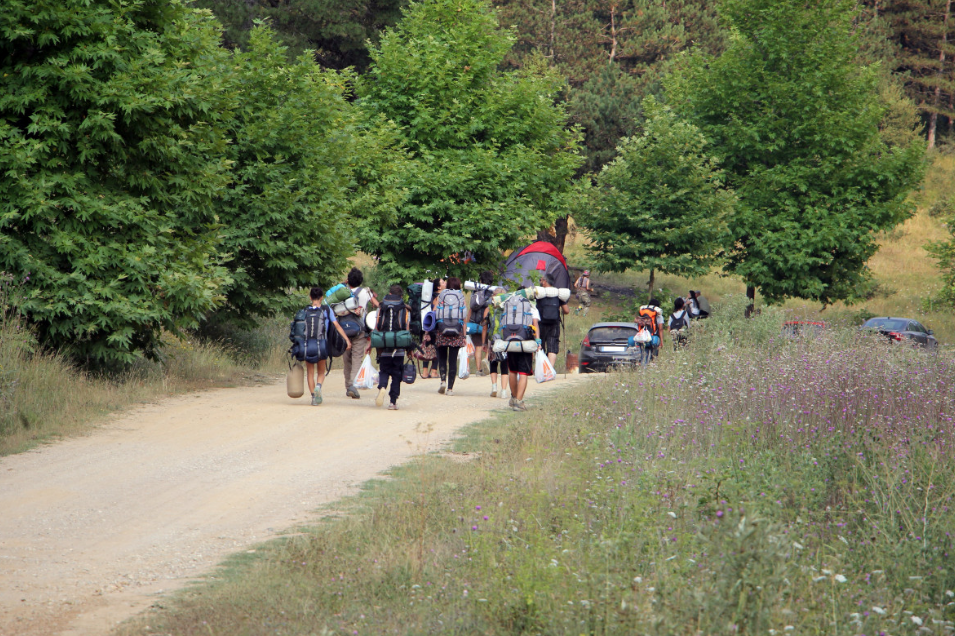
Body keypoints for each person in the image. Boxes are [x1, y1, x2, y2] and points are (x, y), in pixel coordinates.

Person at [305, 286, 351, 405]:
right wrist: (346, 340)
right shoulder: (326, 309)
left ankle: (313, 398)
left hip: (307, 345)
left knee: (310, 372)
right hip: (322, 344)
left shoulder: (305, 310)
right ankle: (318, 387)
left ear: (310, 297)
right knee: (321, 372)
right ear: (321, 298)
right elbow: (337, 326)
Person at [342, 267, 379, 399]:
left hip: (343, 331)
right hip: (360, 329)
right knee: (357, 357)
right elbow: (377, 305)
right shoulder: (365, 292)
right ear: (361, 280)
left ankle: (348, 386)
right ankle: (353, 385)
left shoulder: (342, 291)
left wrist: (344, 282)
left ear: (348, 280)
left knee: (347, 359)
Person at [374, 284, 410, 410]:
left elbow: (377, 326)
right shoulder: (404, 309)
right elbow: (407, 329)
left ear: (389, 293)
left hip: (384, 344)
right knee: (396, 374)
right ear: (400, 296)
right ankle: (392, 402)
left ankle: (382, 387)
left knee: (384, 370)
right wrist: (409, 350)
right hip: (399, 347)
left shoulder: (381, 306)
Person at [506, 296, 540, 412]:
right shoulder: (531, 307)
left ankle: (514, 398)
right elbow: (535, 324)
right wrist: (538, 341)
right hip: (525, 342)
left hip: (510, 340)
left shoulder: (510, 305)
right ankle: (519, 402)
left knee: (513, 371)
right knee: (523, 372)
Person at [435, 277, 465, 396]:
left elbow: (436, 311)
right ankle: (450, 389)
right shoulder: (461, 296)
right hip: (456, 332)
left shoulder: (442, 295)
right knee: (452, 360)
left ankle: (442, 381)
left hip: (442, 330)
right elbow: (464, 316)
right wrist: (464, 334)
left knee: (442, 358)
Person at [537, 273, 570, 368]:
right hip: (554, 324)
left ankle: (542, 369)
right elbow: (566, 311)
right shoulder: (558, 294)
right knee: (552, 347)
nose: (540, 282)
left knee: (540, 346)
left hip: (541, 323)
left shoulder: (539, 294)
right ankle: (550, 369)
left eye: (541, 280)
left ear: (545, 281)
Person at [467, 270, 494, 377]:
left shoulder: (476, 292)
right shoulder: (493, 292)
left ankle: (478, 370)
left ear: (481, 280)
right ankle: (486, 358)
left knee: (478, 346)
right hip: (488, 323)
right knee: (489, 344)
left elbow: (471, 309)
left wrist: (467, 322)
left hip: (474, 323)